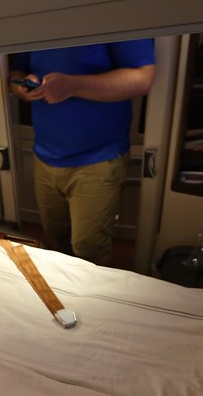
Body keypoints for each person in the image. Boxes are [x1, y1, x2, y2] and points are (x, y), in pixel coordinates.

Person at [10, 40, 155, 266]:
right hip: (45, 156)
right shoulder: (31, 23)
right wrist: (21, 88)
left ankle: (97, 289)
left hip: (98, 158)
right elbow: (16, 73)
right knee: (56, 239)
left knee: (89, 248)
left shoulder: (113, 18)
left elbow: (142, 79)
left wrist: (72, 86)